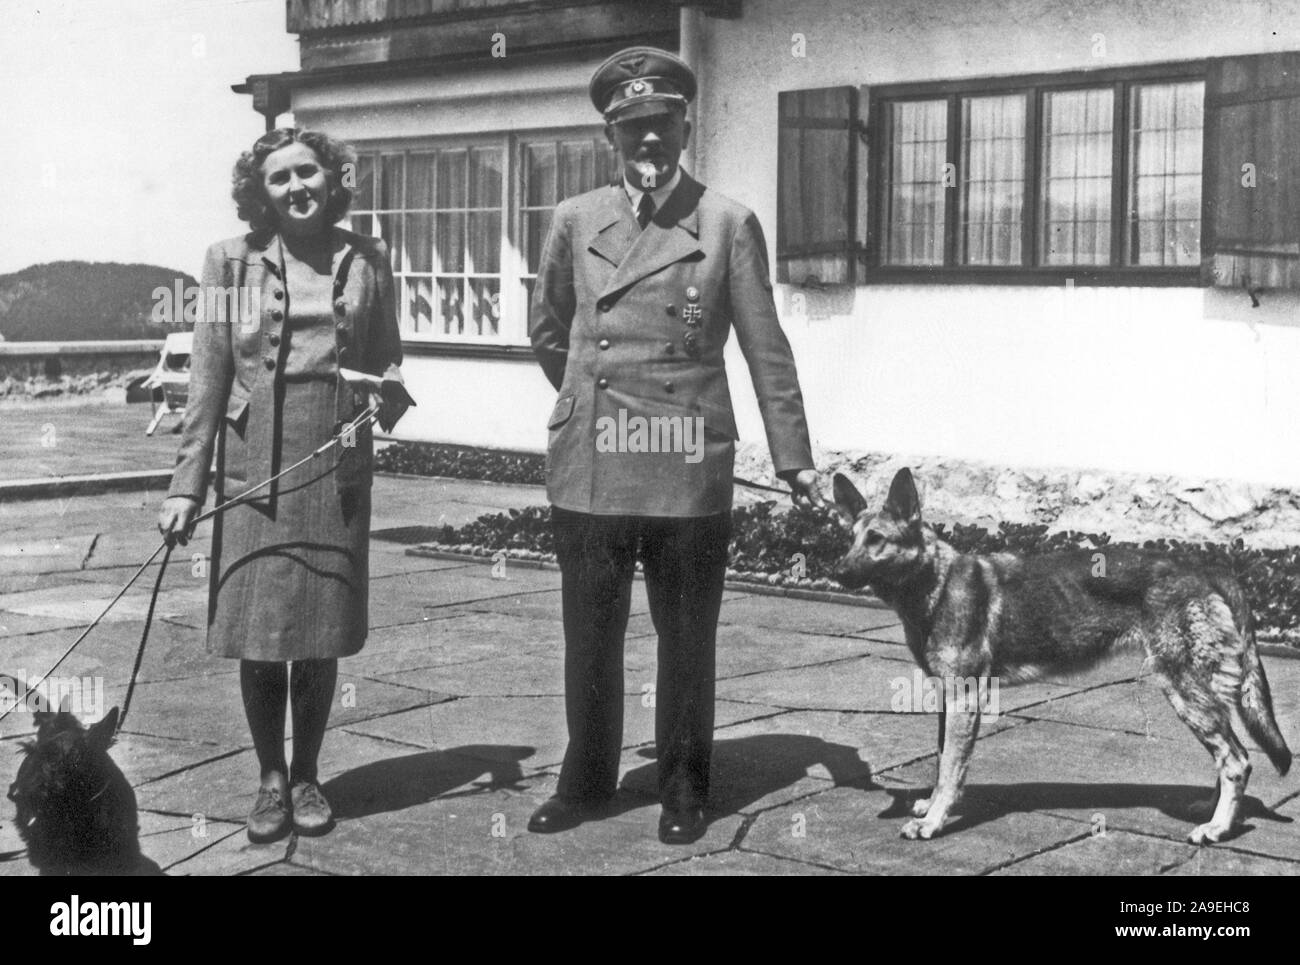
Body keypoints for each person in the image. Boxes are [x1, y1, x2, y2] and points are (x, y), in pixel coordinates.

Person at [527, 46, 825, 844]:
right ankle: (585, 779)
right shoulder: (573, 220)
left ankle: (686, 785)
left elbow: (766, 348)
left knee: (686, 636)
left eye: (661, 125)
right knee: (590, 633)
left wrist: (793, 458)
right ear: (610, 138)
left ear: (684, 125)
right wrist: (590, 400)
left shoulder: (726, 222)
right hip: (593, 459)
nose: (649, 143)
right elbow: (549, 329)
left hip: (686, 463)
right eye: (632, 130)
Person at [158, 128, 407, 843]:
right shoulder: (225, 263)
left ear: (332, 180)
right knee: (261, 633)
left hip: (334, 464)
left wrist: (387, 389)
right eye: (280, 178)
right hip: (251, 464)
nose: (297, 186)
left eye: (308, 172)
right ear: (258, 192)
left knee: (320, 631)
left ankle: (307, 772)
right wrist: (186, 487)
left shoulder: (367, 257)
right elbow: (207, 378)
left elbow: (388, 355)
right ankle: (270, 778)